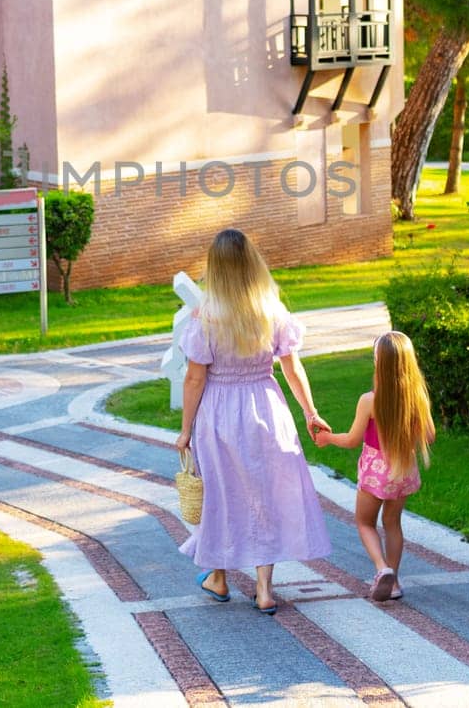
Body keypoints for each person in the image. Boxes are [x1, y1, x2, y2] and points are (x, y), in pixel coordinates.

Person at [175, 228, 333, 615]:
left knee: (221, 495)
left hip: (219, 412)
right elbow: (293, 369)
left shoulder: (207, 317)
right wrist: (311, 412)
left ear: (216, 268)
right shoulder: (271, 309)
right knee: (263, 496)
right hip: (265, 406)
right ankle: (264, 589)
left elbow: (195, 378)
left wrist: (184, 430)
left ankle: (220, 576)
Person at [315, 331, 436, 602]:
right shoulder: (418, 397)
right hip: (403, 470)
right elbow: (429, 436)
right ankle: (394, 583)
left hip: (375, 472)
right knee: (392, 523)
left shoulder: (369, 400)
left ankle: (382, 569)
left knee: (364, 522)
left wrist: (327, 438)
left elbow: (352, 439)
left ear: (378, 363)